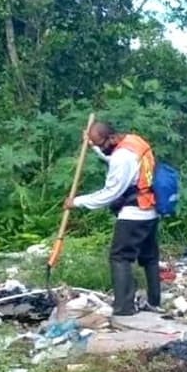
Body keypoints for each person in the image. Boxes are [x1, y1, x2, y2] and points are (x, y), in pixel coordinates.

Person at [66, 121, 160, 316]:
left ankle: (124, 308)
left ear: (111, 138)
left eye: (100, 143)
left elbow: (111, 192)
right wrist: (94, 148)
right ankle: (154, 301)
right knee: (149, 258)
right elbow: (119, 163)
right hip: (150, 211)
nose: (101, 147)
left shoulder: (121, 156)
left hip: (133, 215)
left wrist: (76, 202)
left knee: (119, 258)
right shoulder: (134, 142)